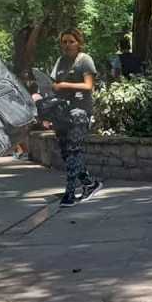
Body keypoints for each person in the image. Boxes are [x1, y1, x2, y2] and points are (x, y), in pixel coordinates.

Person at [51, 29, 103, 208]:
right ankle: (90, 183)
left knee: (74, 150)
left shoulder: (84, 60)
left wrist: (65, 85)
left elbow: (89, 86)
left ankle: (70, 193)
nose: (67, 45)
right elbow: (53, 84)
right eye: (64, 42)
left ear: (78, 43)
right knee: (67, 153)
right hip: (62, 112)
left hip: (80, 112)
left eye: (71, 41)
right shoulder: (60, 61)